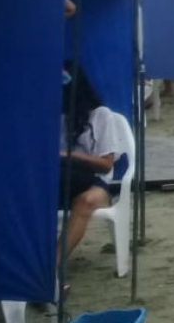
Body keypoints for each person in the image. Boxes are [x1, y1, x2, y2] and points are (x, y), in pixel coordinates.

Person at [59, 62, 126, 263]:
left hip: (97, 181)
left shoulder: (101, 116)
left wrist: (69, 155)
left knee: (85, 202)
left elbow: (106, 165)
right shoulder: (56, 116)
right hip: (65, 178)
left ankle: (52, 266)